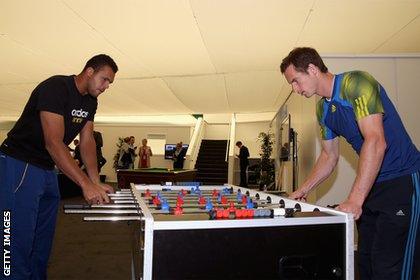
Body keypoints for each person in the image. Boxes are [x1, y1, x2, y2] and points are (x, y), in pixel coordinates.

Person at [280, 47, 419, 280]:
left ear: (312, 69)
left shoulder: (356, 83)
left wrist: (354, 199)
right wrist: (301, 190)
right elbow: (328, 156)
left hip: (402, 181)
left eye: (295, 81)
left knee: (390, 269)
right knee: (366, 264)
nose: (295, 89)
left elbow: (375, 140)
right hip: (372, 186)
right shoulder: (322, 108)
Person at [0, 54, 118, 279]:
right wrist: (84, 184)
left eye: (110, 83)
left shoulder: (90, 101)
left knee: (41, 239)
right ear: (90, 71)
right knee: (15, 238)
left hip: (46, 169)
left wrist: (95, 180)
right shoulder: (56, 87)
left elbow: (87, 141)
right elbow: (53, 142)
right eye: (104, 79)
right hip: (19, 164)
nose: (106, 87)